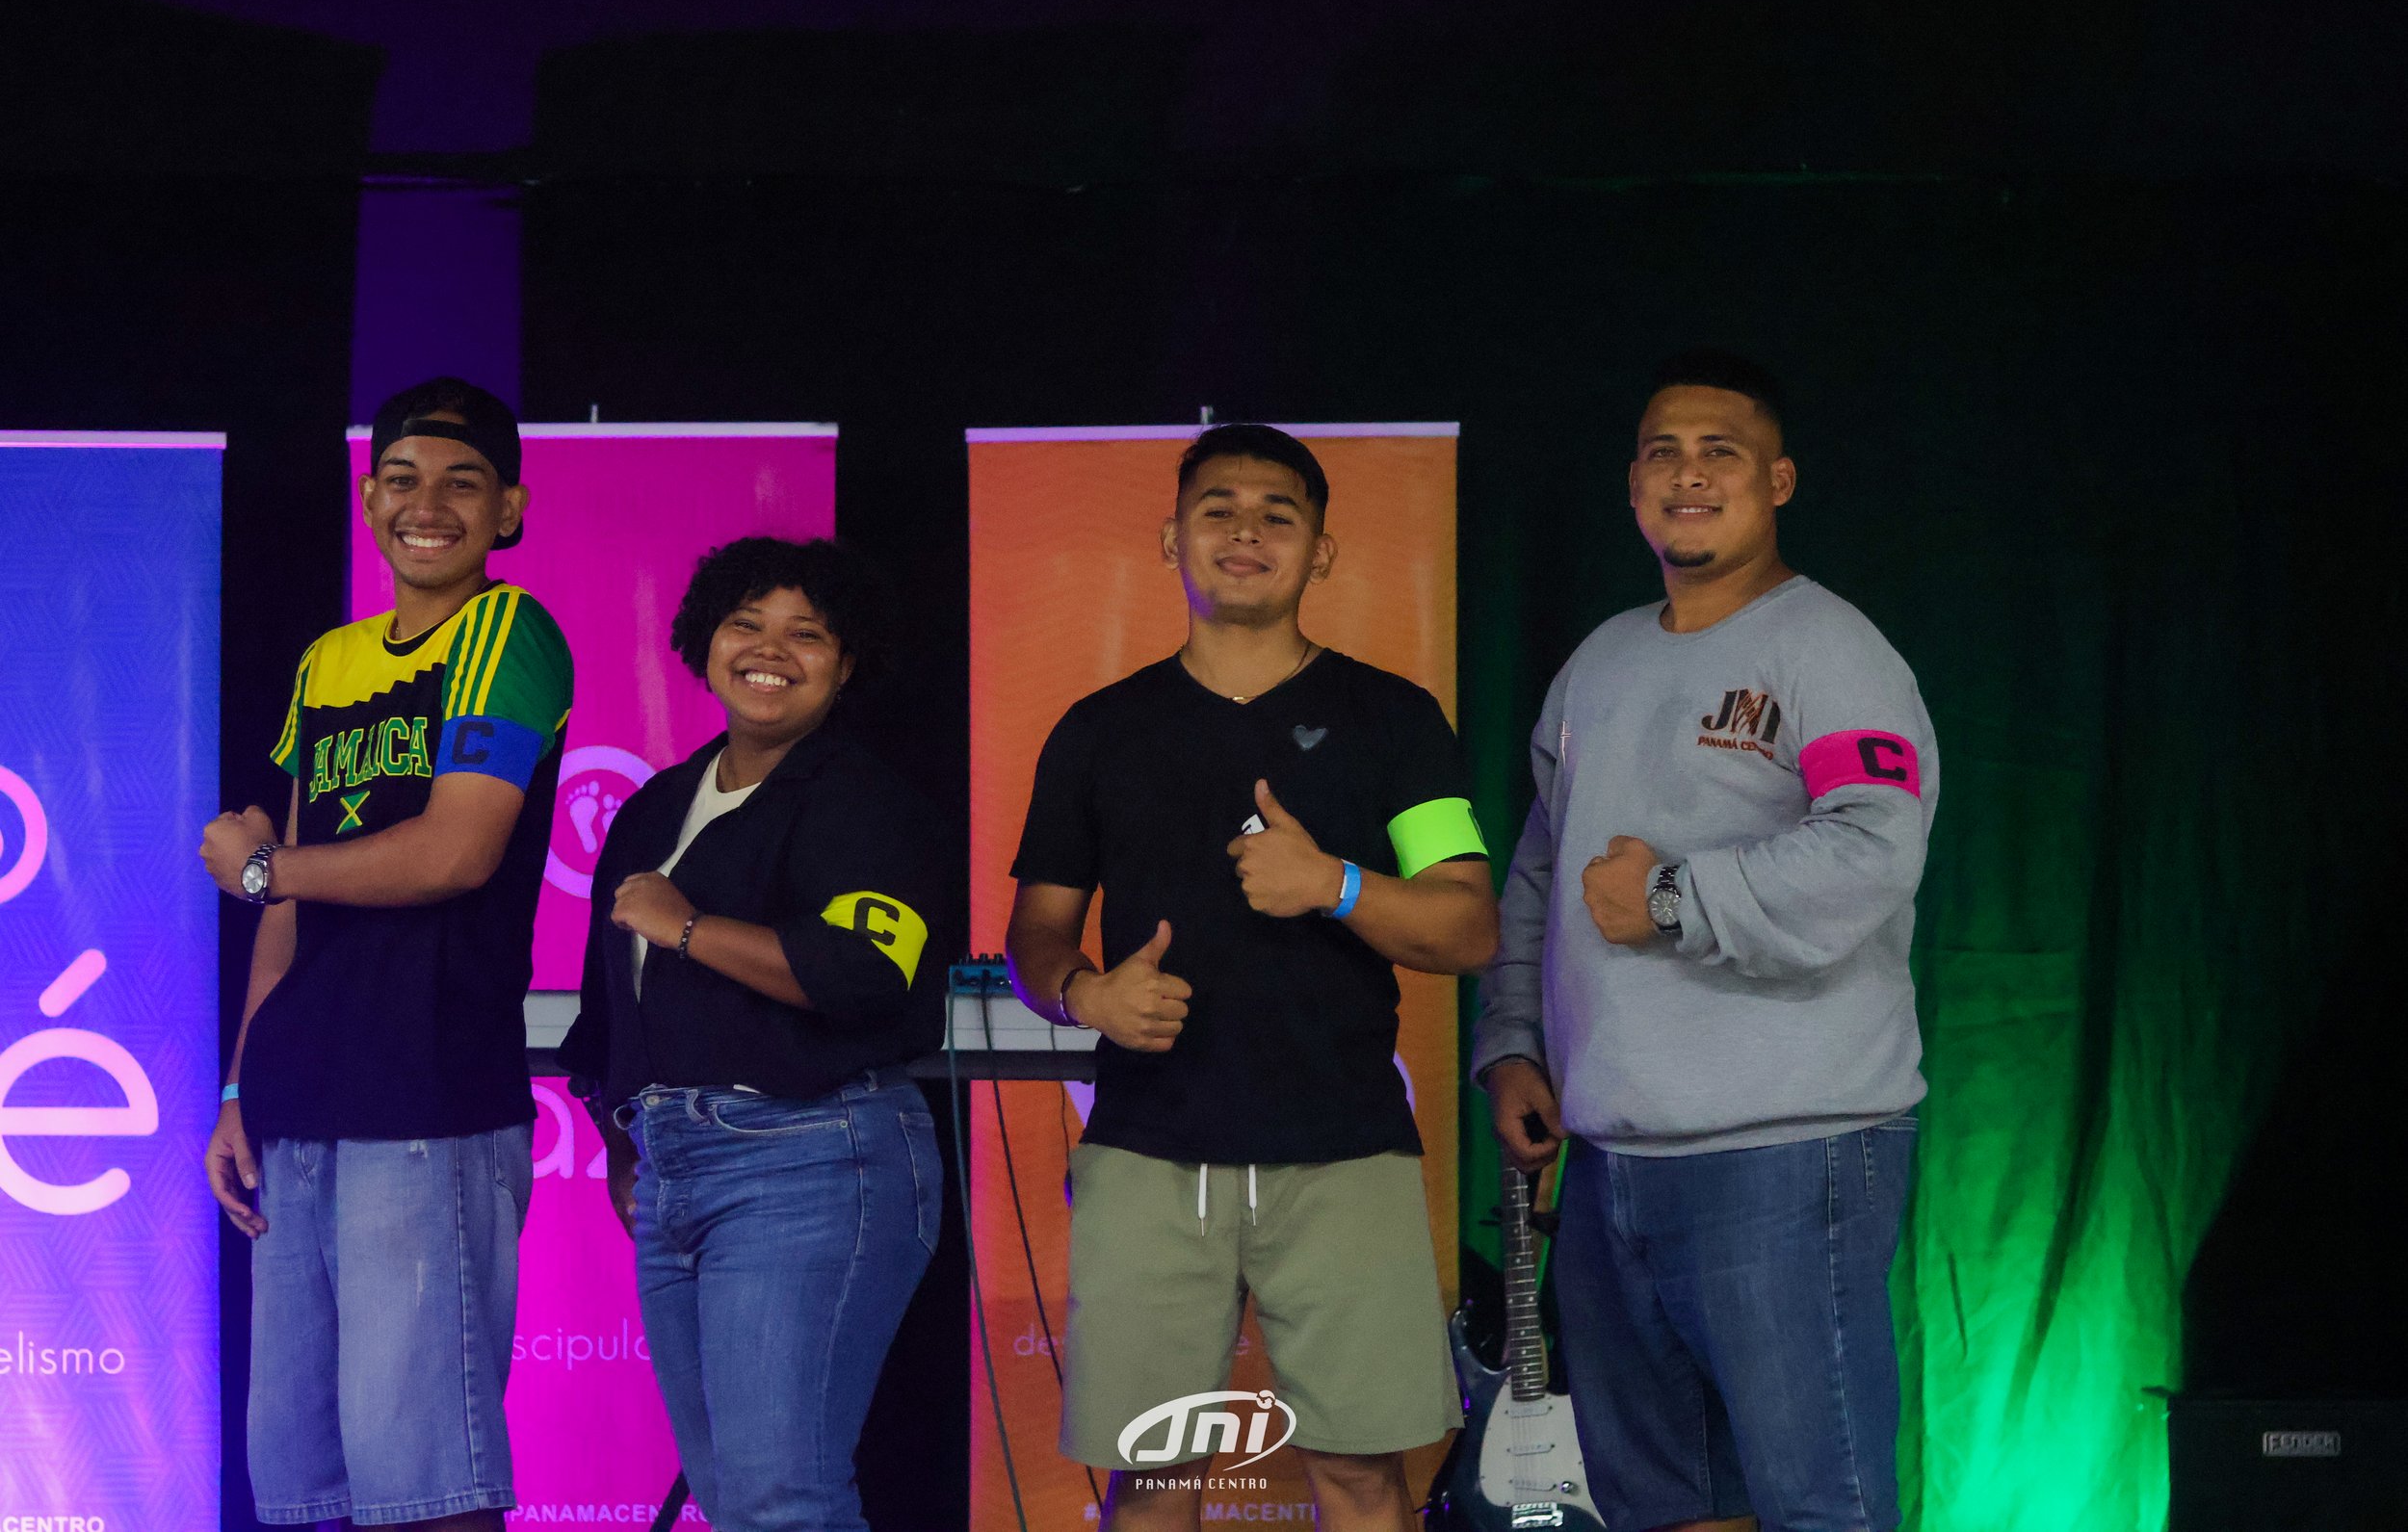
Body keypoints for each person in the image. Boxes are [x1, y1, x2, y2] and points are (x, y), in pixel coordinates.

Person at [1473, 350, 1938, 1532]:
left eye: (1719, 452)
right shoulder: (1598, 661)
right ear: (1633, 484)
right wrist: (1513, 1040)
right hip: (1612, 1159)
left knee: (1816, 1504)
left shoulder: (1828, 647)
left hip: (1788, 1150)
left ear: (1777, 481)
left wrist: (1675, 897)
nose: (1688, 473)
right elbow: (1539, 871)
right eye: (1662, 452)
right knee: (1667, 1506)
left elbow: (1873, 845)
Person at [1006, 424, 1500, 1532]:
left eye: (1278, 513)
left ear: (1321, 550)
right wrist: (1085, 994)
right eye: (1217, 508)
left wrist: (1334, 883)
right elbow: (1035, 933)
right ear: (1170, 537)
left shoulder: (1394, 718)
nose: (1245, 531)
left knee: (1364, 1476)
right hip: (1148, 1148)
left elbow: (1467, 924)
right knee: (1153, 1478)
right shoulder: (1098, 728)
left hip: (1344, 1148)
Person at [199, 377, 572, 1531]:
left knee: (427, 1487)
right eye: (402, 479)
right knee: (303, 1486)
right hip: (299, 1099)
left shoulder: (509, 632)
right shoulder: (328, 660)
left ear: (509, 508)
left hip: (425, 1093)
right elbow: (287, 905)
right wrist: (238, 1087)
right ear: (368, 500)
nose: (428, 504)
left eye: (464, 482)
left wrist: (264, 869)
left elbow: (455, 850)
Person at [557, 535, 945, 1532]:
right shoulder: (655, 807)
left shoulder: (865, 799)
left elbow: (863, 972)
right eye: (746, 624)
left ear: (845, 662)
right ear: (705, 642)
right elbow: (608, 1012)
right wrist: (622, 1140)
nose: (770, 649)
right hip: (675, 1168)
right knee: (734, 1501)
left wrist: (688, 925)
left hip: (816, 1153)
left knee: (782, 1499)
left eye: (806, 633)